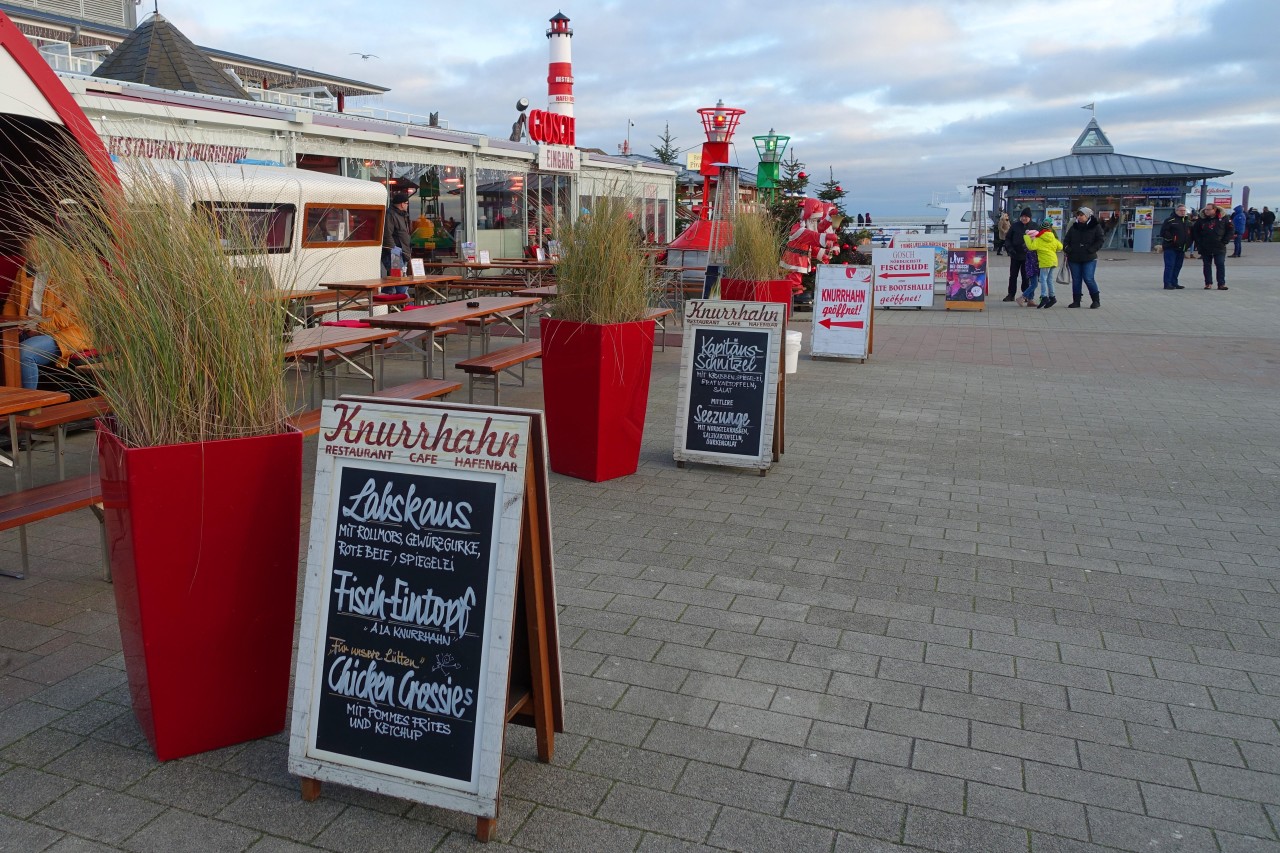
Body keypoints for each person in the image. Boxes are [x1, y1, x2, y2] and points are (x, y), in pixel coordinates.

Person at [3, 247, 93, 390]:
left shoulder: (68, 269)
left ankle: (29, 407)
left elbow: (72, 312)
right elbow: (11, 302)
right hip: (27, 328)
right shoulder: (26, 269)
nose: (29, 248)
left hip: (64, 332)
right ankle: (8, 405)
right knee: (5, 350)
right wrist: (13, 324)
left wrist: (40, 328)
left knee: (24, 353)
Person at [1063, 207, 1103, 308]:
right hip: (1074, 257)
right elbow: (1066, 240)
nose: (1079, 217)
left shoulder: (1095, 226)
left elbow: (1100, 240)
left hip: (1089, 257)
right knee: (1076, 280)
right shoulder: (1074, 226)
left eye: (1082, 215)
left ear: (1088, 215)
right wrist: (1068, 249)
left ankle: (1096, 300)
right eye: (1078, 215)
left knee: (1088, 278)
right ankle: (1076, 301)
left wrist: (1091, 250)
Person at [1021, 218, 1062, 308]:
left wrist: (1026, 237)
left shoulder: (1039, 239)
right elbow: (1060, 247)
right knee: (1049, 280)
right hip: (1053, 260)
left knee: (1043, 279)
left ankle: (1044, 297)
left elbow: (1031, 247)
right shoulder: (1053, 238)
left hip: (1045, 261)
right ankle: (1052, 297)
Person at [1191, 204, 1232, 290]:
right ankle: (1208, 283)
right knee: (1207, 265)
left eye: (1209, 209)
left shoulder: (1224, 218)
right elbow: (1195, 231)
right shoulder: (1201, 219)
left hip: (1219, 246)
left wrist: (1225, 241)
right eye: (1206, 209)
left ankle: (1221, 284)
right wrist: (1199, 243)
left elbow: (1230, 230)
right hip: (1205, 246)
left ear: (1214, 210)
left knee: (1220, 264)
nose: (1207, 211)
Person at [381, 191, 413, 294]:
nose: (407, 205)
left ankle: (391, 303)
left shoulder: (402, 215)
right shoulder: (390, 214)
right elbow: (387, 234)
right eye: (407, 203)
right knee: (400, 284)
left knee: (396, 283)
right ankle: (407, 306)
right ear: (402, 204)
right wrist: (394, 251)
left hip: (402, 254)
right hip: (395, 255)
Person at [1004, 208, 1034, 302]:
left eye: (1026, 217)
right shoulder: (1015, 226)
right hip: (1015, 255)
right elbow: (1008, 238)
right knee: (1013, 276)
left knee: (1026, 276)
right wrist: (1010, 249)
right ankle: (1011, 294)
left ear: (1030, 218)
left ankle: (1025, 295)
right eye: (1023, 216)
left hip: (1028, 256)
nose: (1024, 218)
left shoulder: (1034, 226)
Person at [1159, 204, 1192, 290]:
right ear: (1176, 211)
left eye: (1184, 211)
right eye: (1180, 210)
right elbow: (1163, 232)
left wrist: (1189, 243)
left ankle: (1174, 282)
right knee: (1170, 265)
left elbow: (1191, 233)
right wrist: (1172, 240)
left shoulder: (1187, 221)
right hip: (1170, 247)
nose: (1182, 212)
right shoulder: (1170, 220)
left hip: (1182, 248)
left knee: (1178, 266)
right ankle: (1167, 283)